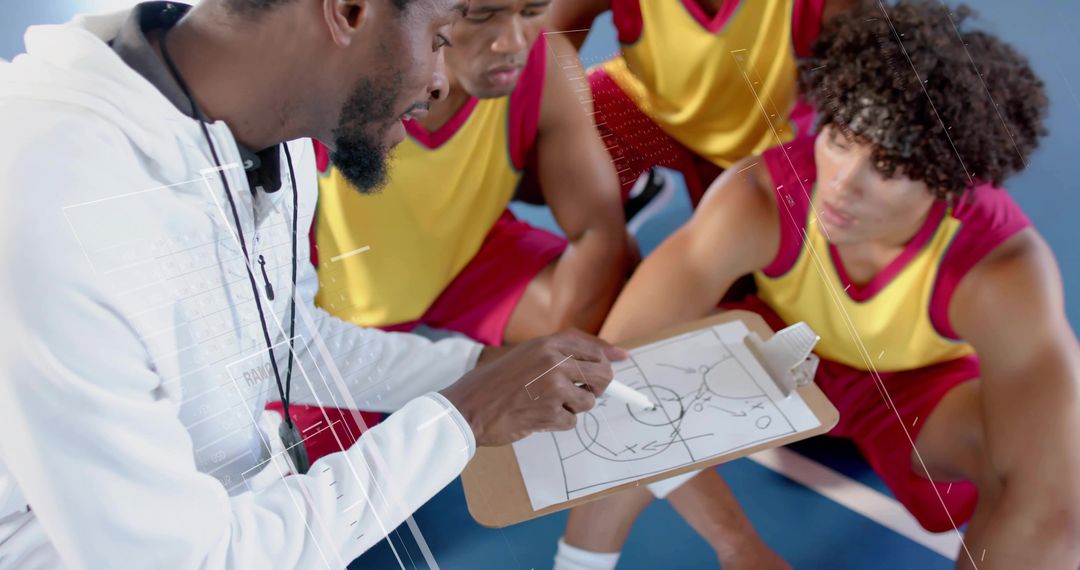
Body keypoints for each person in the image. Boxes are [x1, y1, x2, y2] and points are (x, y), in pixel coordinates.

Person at [0, 1, 624, 567]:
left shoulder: (275, 135)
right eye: (438, 36)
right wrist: (463, 415)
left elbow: (284, 336)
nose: (440, 80)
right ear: (350, 12)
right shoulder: (52, 208)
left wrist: (480, 367)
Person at [555, 2, 1080, 569]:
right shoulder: (760, 196)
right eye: (841, 138)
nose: (842, 185)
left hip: (914, 390)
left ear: (949, 180)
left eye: (887, 167)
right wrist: (738, 546)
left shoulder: (1000, 270)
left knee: (1039, 482)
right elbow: (613, 376)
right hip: (778, 351)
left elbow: (1050, 506)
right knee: (637, 382)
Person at [280, 0, 633, 462]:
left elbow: (597, 230)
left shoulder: (545, 65)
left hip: (465, 257)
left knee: (616, 315)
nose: (512, 42)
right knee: (328, 504)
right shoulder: (330, 84)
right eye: (483, 15)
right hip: (337, 311)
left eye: (531, 11)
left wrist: (548, 364)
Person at [550, 0, 858, 206]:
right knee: (544, 163)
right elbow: (550, 38)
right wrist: (602, 237)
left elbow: (864, 94)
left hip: (756, 144)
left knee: (736, 277)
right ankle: (621, 209)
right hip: (650, 109)